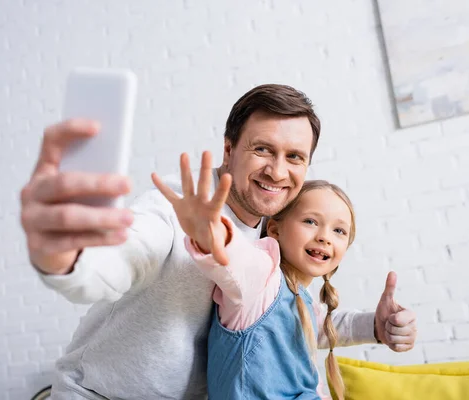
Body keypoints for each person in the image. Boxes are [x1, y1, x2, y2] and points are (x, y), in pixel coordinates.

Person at [20, 84, 418, 399]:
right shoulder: (179, 205)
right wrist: (65, 256)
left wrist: (375, 327)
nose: (278, 171)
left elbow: (293, 320)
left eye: (294, 157)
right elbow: (126, 257)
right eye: (262, 149)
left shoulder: (276, 232)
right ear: (229, 150)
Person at [153, 157, 359, 399]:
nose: (325, 237)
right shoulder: (264, 278)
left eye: (339, 230)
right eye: (310, 221)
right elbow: (240, 261)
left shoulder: (301, 298)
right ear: (274, 229)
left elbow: (321, 326)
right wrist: (213, 234)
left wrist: (378, 326)